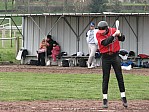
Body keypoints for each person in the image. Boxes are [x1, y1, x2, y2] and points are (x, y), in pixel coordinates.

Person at [96, 21, 128, 108]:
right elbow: (105, 43)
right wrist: (114, 35)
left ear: (107, 28)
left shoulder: (114, 30)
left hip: (115, 56)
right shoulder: (98, 34)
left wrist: (119, 34)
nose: (102, 32)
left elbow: (122, 39)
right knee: (105, 77)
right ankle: (105, 99)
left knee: (119, 76)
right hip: (105, 57)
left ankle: (123, 97)